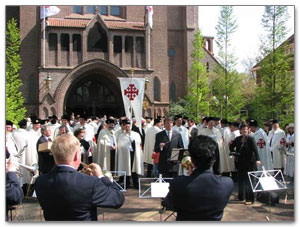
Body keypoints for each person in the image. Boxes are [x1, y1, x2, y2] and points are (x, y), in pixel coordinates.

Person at [35, 133, 124, 221]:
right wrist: (101, 177)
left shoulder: (41, 181)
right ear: (76, 156)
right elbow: (118, 199)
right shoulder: (90, 183)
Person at [162, 135, 234, 221]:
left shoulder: (178, 183)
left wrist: (188, 177)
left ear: (191, 160)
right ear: (214, 159)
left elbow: (168, 204)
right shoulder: (227, 184)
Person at [229, 123, 261, 205]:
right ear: (240, 131)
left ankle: (249, 198)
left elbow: (255, 150)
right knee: (241, 180)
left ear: (248, 130)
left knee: (249, 181)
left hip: (250, 162)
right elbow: (231, 147)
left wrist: (258, 159)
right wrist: (234, 153)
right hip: (240, 162)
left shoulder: (251, 139)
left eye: (246, 130)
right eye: (243, 130)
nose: (244, 131)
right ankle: (241, 196)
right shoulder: (237, 139)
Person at [117, 120, 144, 188]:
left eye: (128, 126)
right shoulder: (121, 136)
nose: (127, 128)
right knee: (126, 168)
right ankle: (127, 183)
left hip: (134, 153)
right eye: (126, 126)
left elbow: (139, 143)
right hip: (126, 154)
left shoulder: (135, 134)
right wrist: (126, 146)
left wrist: (133, 142)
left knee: (134, 169)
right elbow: (120, 145)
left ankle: (135, 183)